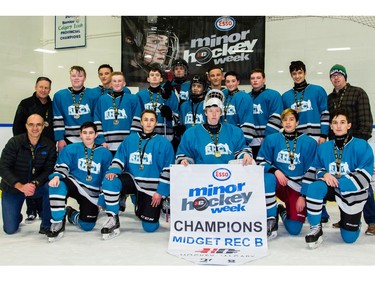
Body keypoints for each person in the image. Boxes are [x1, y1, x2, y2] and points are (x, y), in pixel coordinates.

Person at [302, 108, 374, 248]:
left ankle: (351, 219)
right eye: (335, 122)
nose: (338, 126)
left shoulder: (361, 145)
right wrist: (324, 174)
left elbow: (365, 175)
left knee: (349, 238)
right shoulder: (324, 147)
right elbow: (317, 168)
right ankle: (316, 229)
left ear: (349, 125)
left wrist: (338, 181)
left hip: (351, 191)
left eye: (342, 122)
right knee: (314, 187)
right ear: (331, 126)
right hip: (330, 186)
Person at [100, 110, 175, 239]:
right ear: (141, 122)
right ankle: (113, 217)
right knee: (110, 180)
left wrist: (160, 192)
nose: (148, 123)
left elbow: (168, 170)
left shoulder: (164, 143)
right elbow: (119, 158)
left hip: (151, 188)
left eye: (152, 120)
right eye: (145, 119)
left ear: (156, 123)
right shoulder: (131, 139)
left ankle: (150, 204)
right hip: (133, 179)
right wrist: (113, 171)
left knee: (150, 227)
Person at [327, 64, 375, 235]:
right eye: (333, 76)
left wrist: (357, 145)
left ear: (345, 76)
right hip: (337, 148)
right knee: (341, 182)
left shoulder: (358, 92)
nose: (336, 78)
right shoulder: (330, 97)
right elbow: (330, 123)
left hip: (355, 146)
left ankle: (372, 221)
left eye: (339, 75)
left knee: (362, 183)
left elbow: (366, 120)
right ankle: (345, 218)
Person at [256, 108, 318, 239]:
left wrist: (303, 196)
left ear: (297, 122)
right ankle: (271, 218)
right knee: (267, 178)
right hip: (279, 182)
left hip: (297, 187)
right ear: (281, 122)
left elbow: (311, 171)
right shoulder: (272, 139)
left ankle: (281, 210)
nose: (288, 123)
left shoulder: (309, 142)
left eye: (291, 119)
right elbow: (261, 160)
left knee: (294, 229)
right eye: (285, 120)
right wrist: (275, 170)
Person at [46, 122, 113, 242]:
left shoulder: (105, 153)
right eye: (85, 133)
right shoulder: (71, 149)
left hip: (91, 192)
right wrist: (56, 176)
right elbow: (62, 166)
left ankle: (71, 214)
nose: (88, 136)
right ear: (80, 135)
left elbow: (107, 177)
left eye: (91, 133)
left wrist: (102, 198)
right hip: (74, 184)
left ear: (96, 135)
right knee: (57, 184)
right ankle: (57, 222)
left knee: (87, 226)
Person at [0, 114, 57, 235]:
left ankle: (47, 224)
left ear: (43, 127)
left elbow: (49, 169)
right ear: (26, 126)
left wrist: (35, 183)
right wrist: (20, 186)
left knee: (51, 187)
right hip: (14, 188)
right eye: (31, 124)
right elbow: (3, 167)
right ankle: (16, 216)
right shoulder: (14, 142)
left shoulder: (49, 145)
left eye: (38, 125)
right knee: (10, 229)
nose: (34, 128)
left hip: (36, 187)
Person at [12, 76, 55, 224]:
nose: (43, 90)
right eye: (41, 87)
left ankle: (43, 210)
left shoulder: (52, 105)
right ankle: (31, 210)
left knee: (43, 177)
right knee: (28, 175)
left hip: (46, 148)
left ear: (50, 89)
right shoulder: (26, 104)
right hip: (27, 147)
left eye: (46, 87)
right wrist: (22, 146)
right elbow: (17, 126)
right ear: (36, 87)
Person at [176, 89, 253, 165]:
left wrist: (245, 155)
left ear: (221, 113)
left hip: (228, 175)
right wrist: (184, 161)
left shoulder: (234, 132)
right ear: (205, 112)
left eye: (217, 111)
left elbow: (241, 149)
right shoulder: (191, 133)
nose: (214, 114)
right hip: (201, 175)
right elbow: (183, 154)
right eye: (210, 111)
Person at [53, 65, 101, 152]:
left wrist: (98, 138)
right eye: (73, 76)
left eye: (80, 76)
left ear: (85, 78)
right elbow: (57, 118)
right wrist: (60, 139)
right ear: (70, 77)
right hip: (68, 139)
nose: (76, 78)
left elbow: (97, 118)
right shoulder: (60, 96)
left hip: (89, 138)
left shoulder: (94, 95)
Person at [121, 16, 179, 87]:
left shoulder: (169, 78)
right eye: (155, 41)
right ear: (141, 45)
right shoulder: (133, 76)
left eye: (166, 44)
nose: (164, 49)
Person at [94, 71, 142, 155]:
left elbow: (137, 119)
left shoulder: (133, 99)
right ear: (111, 83)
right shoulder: (102, 99)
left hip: (126, 144)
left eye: (119, 81)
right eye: (114, 81)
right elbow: (97, 120)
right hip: (107, 145)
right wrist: (101, 140)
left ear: (124, 83)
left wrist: (132, 139)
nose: (117, 83)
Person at [282, 60, 330, 143]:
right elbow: (284, 120)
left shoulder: (318, 91)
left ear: (305, 73)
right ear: (291, 75)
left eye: (300, 73)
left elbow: (325, 114)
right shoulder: (285, 96)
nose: (297, 76)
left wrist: (324, 135)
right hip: (297, 139)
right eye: (294, 73)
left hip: (318, 138)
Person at [135, 65, 179, 143]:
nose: (154, 77)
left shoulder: (170, 94)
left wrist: (169, 116)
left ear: (161, 79)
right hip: (147, 136)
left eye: (157, 75)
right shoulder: (140, 95)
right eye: (152, 75)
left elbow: (177, 119)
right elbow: (138, 118)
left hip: (166, 137)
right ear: (148, 79)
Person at [249, 68, 283, 159]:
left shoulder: (273, 95)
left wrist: (268, 137)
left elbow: (276, 117)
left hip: (267, 140)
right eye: (252, 78)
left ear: (264, 79)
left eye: (258, 78)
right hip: (250, 143)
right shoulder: (246, 97)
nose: (255, 80)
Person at [222, 70, 255, 146]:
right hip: (223, 137)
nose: (230, 84)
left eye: (233, 81)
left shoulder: (244, 97)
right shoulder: (223, 96)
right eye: (228, 81)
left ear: (238, 82)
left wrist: (244, 141)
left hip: (237, 138)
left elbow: (247, 119)